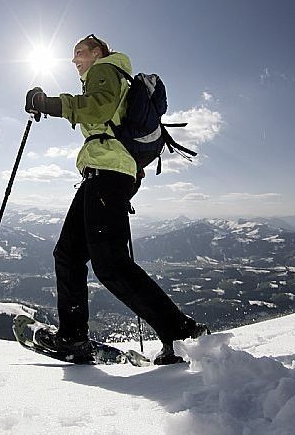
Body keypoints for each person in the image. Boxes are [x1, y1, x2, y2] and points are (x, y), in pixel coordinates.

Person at [24, 34, 209, 364]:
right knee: (67, 255)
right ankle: (73, 338)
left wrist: (46, 103)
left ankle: (181, 332)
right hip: (103, 173)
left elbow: (99, 106)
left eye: (79, 52)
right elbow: (104, 113)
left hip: (108, 174)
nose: (74, 60)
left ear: (97, 52)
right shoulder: (110, 75)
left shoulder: (105, 70)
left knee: (110, 264)